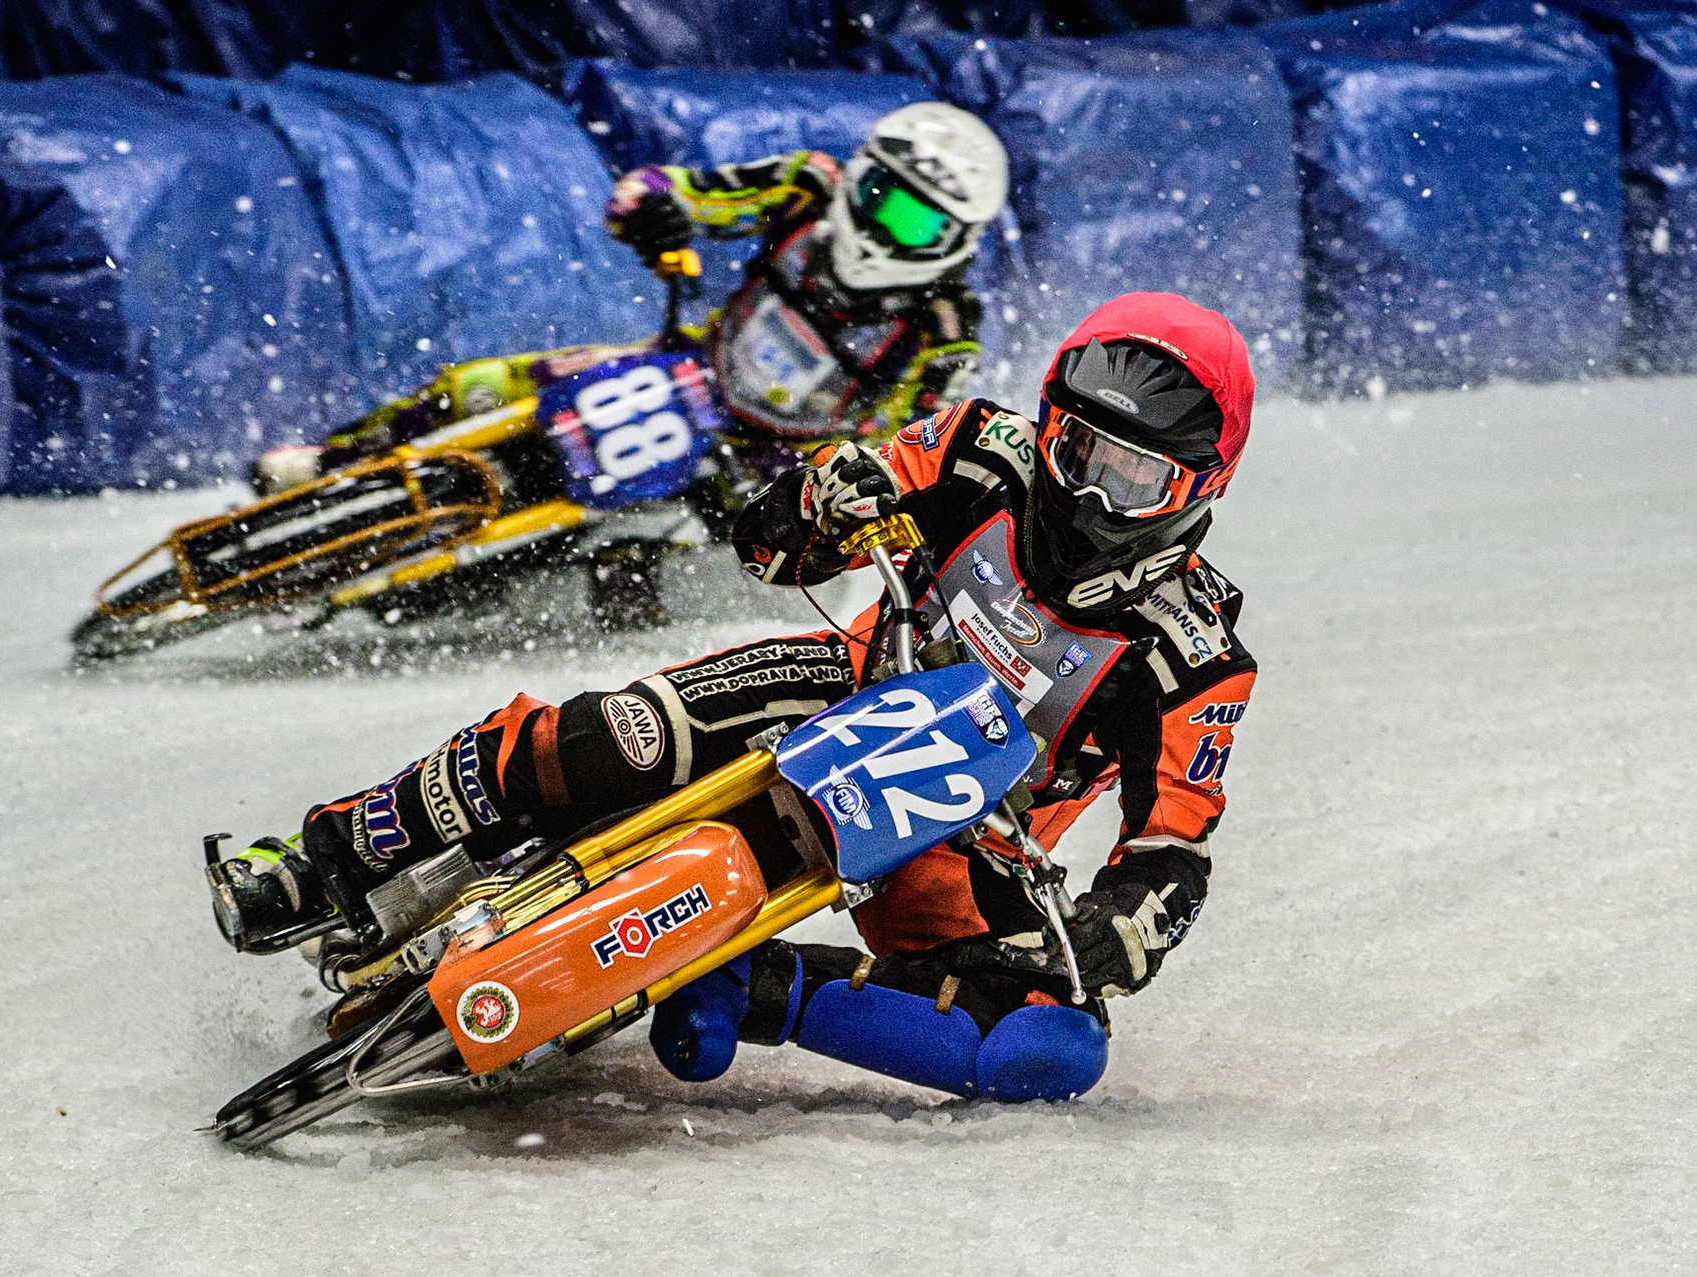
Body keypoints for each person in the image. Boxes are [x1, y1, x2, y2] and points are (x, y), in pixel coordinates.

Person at [215, 291, 1259, 1101]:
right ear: (1048, 422)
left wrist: (1115, 929)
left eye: (1130, 478)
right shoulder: (979, 449)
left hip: (965, 829)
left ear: (1202, 485)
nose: (1084, 491)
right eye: (1076, 447)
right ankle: (324, 858)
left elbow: (1172, 845)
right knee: (611, 739)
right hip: (838, 691)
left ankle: (751, 983)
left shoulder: (1197, 654)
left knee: (1048, 1041)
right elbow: (769, 539)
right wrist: (823, 494)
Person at [249, 102, 1009, 493]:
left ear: (954, 239)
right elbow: (672, 189)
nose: (880, 222)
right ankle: (334, 462)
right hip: (685, 370)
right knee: (477, 387)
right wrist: (654, 208)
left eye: (913, 217)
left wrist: (804, 474)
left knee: (685, 535)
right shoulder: (810, 184)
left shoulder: (944, 331)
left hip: (774, 462)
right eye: (879, 191)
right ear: (860, 169)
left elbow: (905, 449)